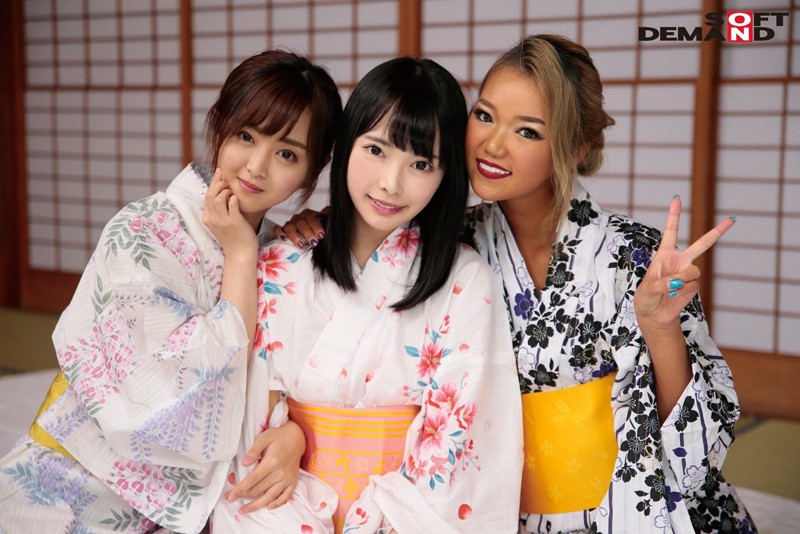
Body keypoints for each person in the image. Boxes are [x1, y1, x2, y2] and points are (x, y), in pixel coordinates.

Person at [277, 35, 756, 533]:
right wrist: (320, 225)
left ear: (575, 147)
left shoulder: (633, 255)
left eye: (527, 131)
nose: (493, 144)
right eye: (485, 116)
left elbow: (699, 447)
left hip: (627, 511)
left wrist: (660, 329)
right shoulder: (447, 246)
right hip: (499, 512)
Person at [0, 49, 342, 534]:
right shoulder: (142, 229)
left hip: (180, 515)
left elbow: (287, 378)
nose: (256, 166)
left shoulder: (282, 253)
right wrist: (240, 256)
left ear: (313, 170)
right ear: (219, 125)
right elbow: (174, 391)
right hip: (67, 483)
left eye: (286, 154)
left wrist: (292, 432)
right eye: (246, 136)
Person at [212, 56, 523, 533]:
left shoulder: (464, 280)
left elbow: (462, 447)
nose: (390, 183)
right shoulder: (278, 262)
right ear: (345, 144)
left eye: (420, 163)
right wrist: (289, 435)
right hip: (280, 512)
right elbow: (246, 421)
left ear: (446, 175)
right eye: (376, 150)